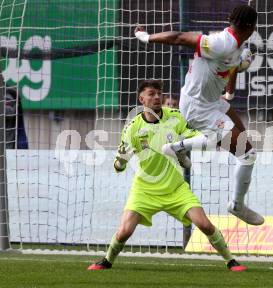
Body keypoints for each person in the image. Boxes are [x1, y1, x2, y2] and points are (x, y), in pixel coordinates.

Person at [87, 79, 246, 272]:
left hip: (175, 188)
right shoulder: (132, 128)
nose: (156, 97)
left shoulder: (176, 117)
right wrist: (120, 161)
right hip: (145, 189)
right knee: (124, 232)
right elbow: (119, 165)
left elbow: (196, 134)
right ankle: (106, 260)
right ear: (141, 99)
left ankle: (230, 261)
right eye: (151, 94)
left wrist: (190, 143)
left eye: (158, 94)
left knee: (204, 224)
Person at [134, 5, 264, 226]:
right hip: (198, 107)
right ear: (251, 28)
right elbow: (179, 37)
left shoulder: (236, 46)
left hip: (213, 102)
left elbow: (231, 67)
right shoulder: (221, 43)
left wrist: (230, 91)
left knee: (239, 135)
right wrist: (146, 37)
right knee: (247, 154)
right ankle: (237, 205)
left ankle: (178, 147)